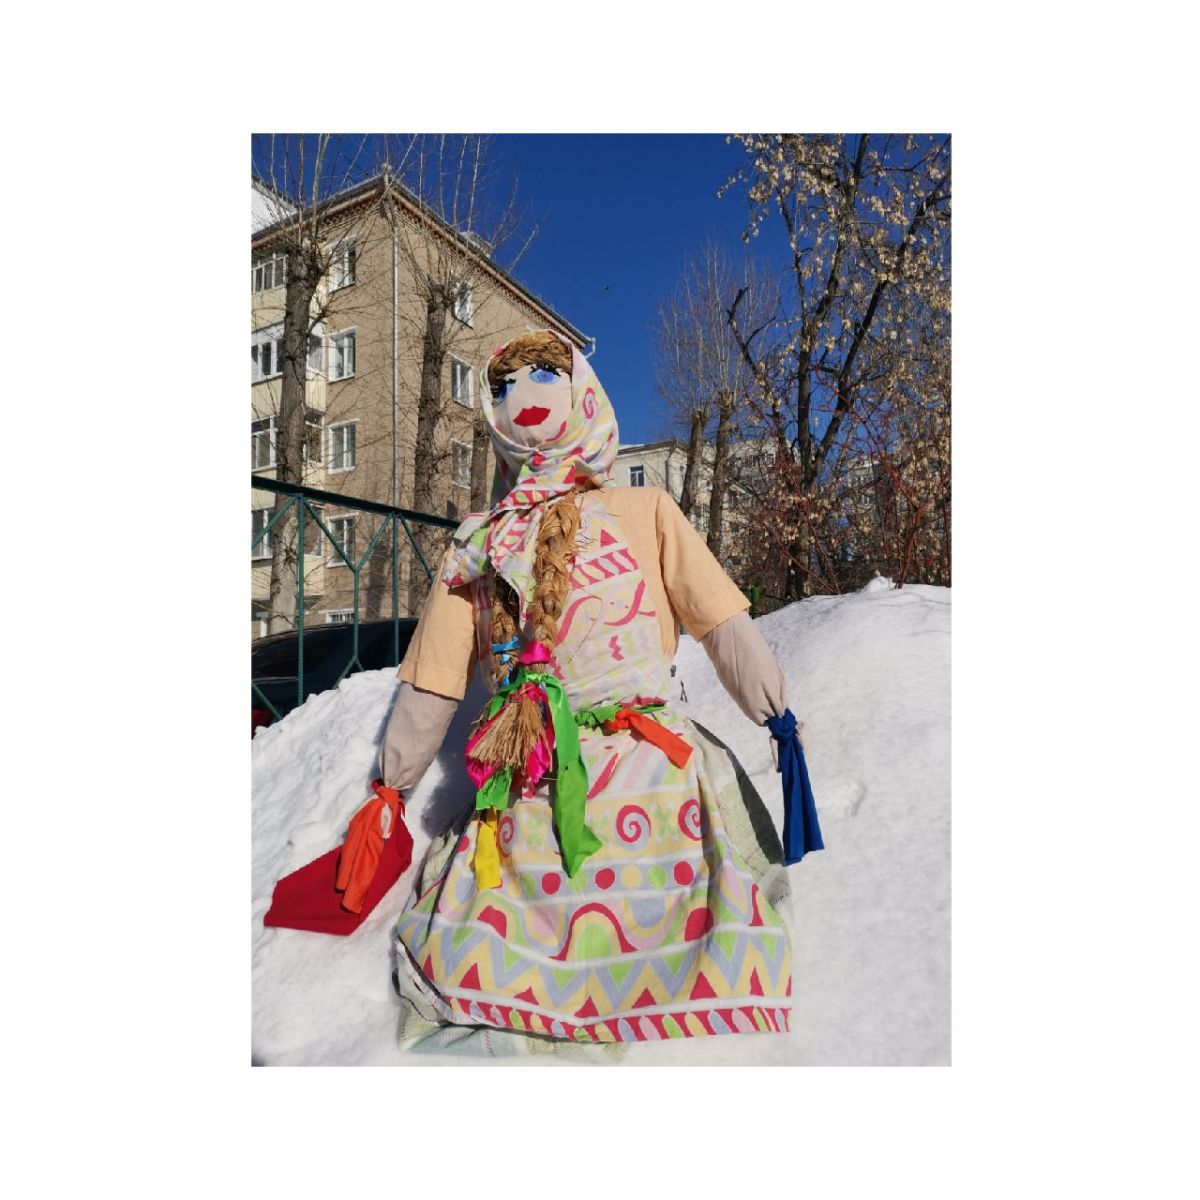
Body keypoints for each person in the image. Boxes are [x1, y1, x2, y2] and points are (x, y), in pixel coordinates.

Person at [378, 330, 802, 1051]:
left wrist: (774, 711)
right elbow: (436, 674)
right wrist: (393, 783)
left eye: (544, 376)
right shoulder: (477, 542)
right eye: (503, 387)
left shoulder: (646, 511)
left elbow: (719, 621)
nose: (522, 397)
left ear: (581, 393)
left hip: (645, 761)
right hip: (532, 769)